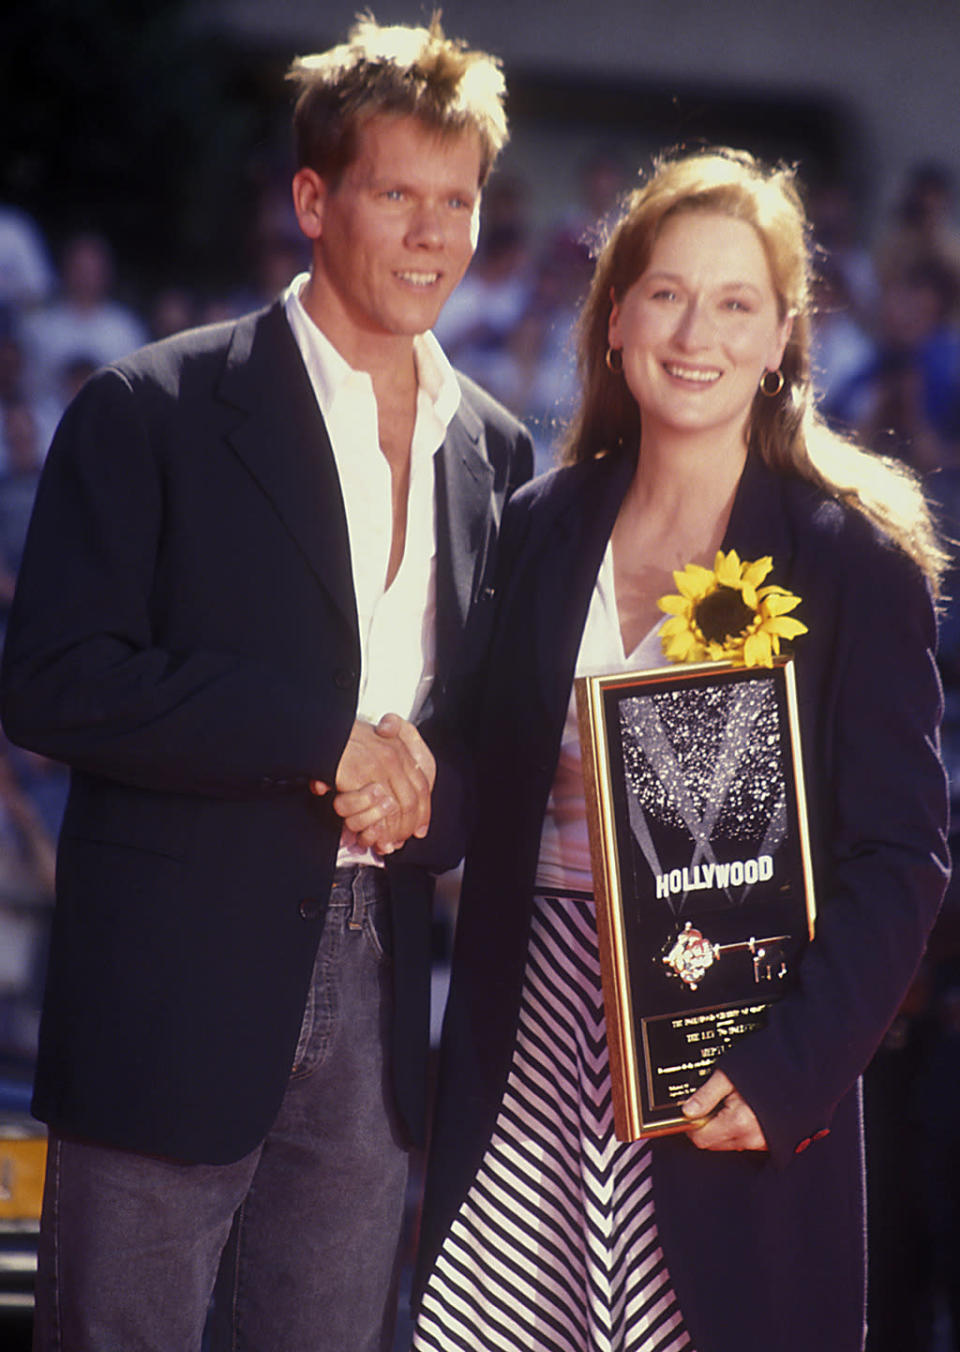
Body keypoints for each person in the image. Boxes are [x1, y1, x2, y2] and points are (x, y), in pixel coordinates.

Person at [0, 15, 532, 1352]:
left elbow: (486, 737)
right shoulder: (153, 409)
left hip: (378, 997)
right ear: (311, 199)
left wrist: (436, 800)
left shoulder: (499, 452)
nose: (431, 234)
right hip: (171, 993)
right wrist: (322, 740)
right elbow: (56, 680)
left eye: (456, 202)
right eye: (397, 194)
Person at [412, 148, 949, 1352]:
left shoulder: (853, 561)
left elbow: (902, 856)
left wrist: (787, 1067)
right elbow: (469, 775)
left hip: (731, 1064)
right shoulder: (541, 527)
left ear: (782, 339)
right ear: (614, 322)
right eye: (664, 293)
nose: (694, 330)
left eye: (735, 301)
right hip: (529, 1046)